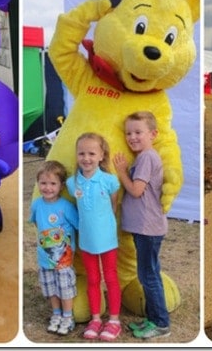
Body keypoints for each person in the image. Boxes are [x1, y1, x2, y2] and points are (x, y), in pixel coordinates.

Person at [112, 111, 171, 339]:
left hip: (148, 228)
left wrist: (122, 172)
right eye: (128, 133)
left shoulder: (147, 157)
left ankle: (161, 323)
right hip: (144, 228)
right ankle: (152, 318)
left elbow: (136, 190)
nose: (132, 137)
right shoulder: (144, 157)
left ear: (153, 134)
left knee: (149, 276)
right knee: (149, 273)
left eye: (138, 132)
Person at [66, 132, 122, 341]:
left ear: (101, 155)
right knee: (93, 279)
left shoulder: (110, 180)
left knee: (111, 277)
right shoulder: (73, 183)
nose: (86, 158)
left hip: (107, 240)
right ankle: (96, 318)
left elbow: (113, 205)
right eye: (82, 153)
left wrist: (105, 227)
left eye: (91, 153)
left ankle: (114, 320)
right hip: (86, 241)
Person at [30, 160, 79, 336]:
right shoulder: (36, 204)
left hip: (63, 261)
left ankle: (68, 317)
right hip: (45, 259)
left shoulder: (66, 206)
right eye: (43, 183)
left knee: (65, 288)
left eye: (52, 183)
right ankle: (56, 314)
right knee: (50, 288)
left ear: (61, 185)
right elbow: (36, 222)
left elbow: (77, 226)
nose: (47, 188)